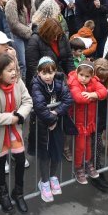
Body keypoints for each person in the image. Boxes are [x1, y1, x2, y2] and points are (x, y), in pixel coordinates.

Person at [0, 53, 33, 213]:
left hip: (15, 130)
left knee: (20, 159)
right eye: (10, 70)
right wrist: (13, 118)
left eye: (15, 70)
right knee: (0, 162)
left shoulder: (18, 83)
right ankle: (2, 193)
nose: (14, 73)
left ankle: (18, 192)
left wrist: (20, 115)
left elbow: (28, 101)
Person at [28, 56, 74, 202]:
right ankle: (44, 182)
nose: (48, 76)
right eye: (44, 73)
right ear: (38, 73)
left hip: (55, 123)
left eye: (51, 72)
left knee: (57, 151)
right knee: (44, 155)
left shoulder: (58, 82)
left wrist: (55, 113)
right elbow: (39, 106)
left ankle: (53, 176)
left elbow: (68, 99)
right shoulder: (36, 85)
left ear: (55, 71)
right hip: (41, 126)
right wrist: (51, 119)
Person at [67, 60, 108, 185]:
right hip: (78, 122)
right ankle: (78, 168)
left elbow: (104, 92)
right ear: (77, 73)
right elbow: (78, 98)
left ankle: (87, 163)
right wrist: (94, 97)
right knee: (80, 146)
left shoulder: (94, 81)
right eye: (81, 75)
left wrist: (93, 94)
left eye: (87, 76)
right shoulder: (73, 82)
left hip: (88, 121)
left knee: (88, 144)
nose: (84, 79)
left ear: (91, 76)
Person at [5, 0, 33, 76]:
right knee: (22, 63)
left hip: (30, 32)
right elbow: (14, 24)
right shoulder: (11, 4)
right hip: (17, 36)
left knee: (30, 60)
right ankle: (21, 84)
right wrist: (29, 31)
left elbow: (34, 15)